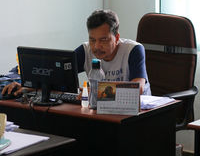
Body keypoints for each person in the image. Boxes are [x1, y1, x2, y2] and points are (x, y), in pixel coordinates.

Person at [2, 9, 151, 96]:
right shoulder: (85, 50)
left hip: (139, 116)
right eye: (92, 39)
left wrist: (94, 93)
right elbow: (55, 75)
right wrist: (26, 85)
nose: (97, 46)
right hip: (102, 113)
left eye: (104, 40)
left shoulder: (133, 50)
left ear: (116, 37)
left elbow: (137, 88)